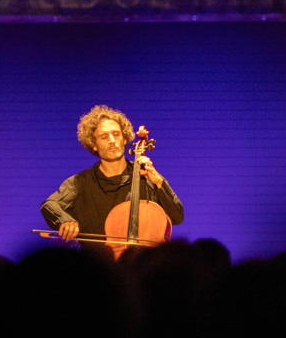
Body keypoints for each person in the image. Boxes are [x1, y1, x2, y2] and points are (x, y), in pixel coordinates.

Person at [41, 104, 184, 244]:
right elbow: (49, 205)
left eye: (116, 134)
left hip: (143, 259)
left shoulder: (145, 176)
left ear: (124, 139)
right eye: (104, 136)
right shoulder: (80, 182)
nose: (112, 140)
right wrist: (65, 220)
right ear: (93, 144)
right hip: (95, 259)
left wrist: (159, 183)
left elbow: (177, 217)